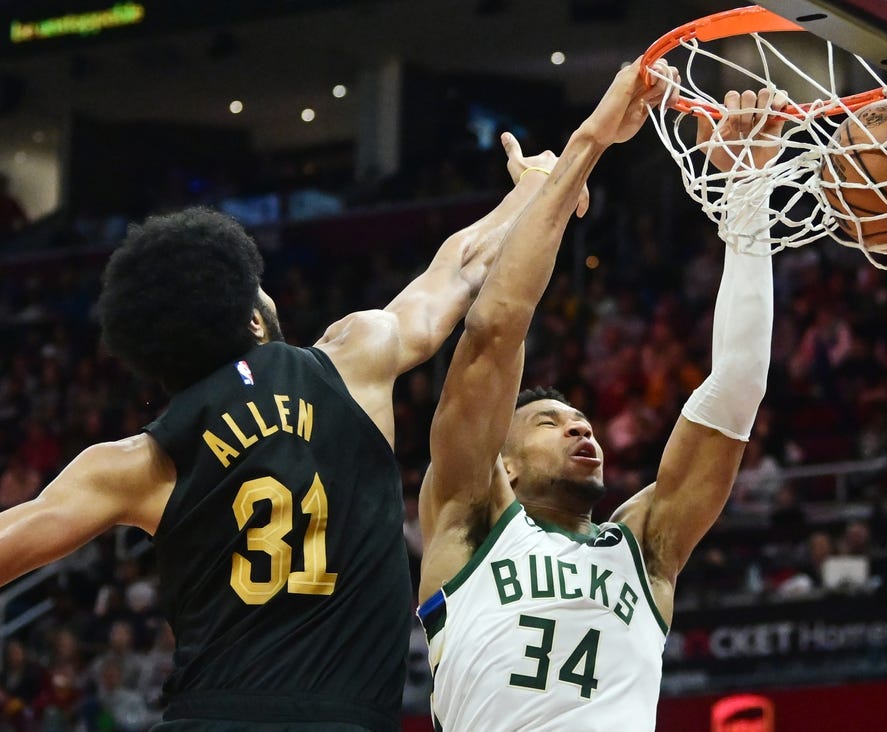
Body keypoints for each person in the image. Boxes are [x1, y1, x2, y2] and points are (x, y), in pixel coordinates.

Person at [0, 148, 563, 729]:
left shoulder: (136, 462)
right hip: (342, 718)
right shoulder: (351, 361)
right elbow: (466, 266)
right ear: (250, 319)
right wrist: (540, 184)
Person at [416, 73, 784, 729]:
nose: (580, 429)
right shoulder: (470, 523)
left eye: (581, 421)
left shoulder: (645, 549)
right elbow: (495, 329)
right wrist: (590, 142)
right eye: (550, 423)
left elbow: (736, 386)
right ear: (506, 467)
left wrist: (751, 188)